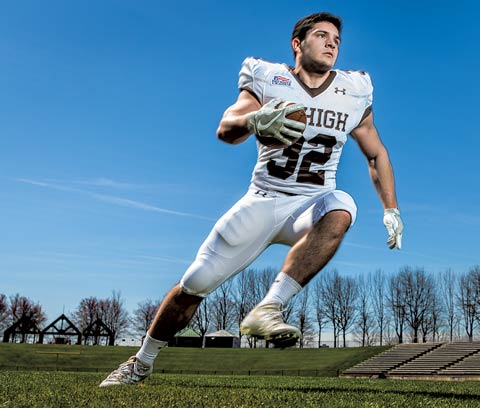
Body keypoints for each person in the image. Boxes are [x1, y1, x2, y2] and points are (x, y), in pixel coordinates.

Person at [99, 11, 403, 387]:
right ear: (298, 44)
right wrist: (253, 121)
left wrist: (391, 208)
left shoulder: (353, 91)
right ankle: (140, 363)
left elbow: (376, 153)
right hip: (262, 201)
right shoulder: (268, 78)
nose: (331, 44)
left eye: (337, 40)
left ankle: (270, 307)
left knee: (342, 207)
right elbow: (226, 128)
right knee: (193, 285)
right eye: (322, 36)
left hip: (312, 202)